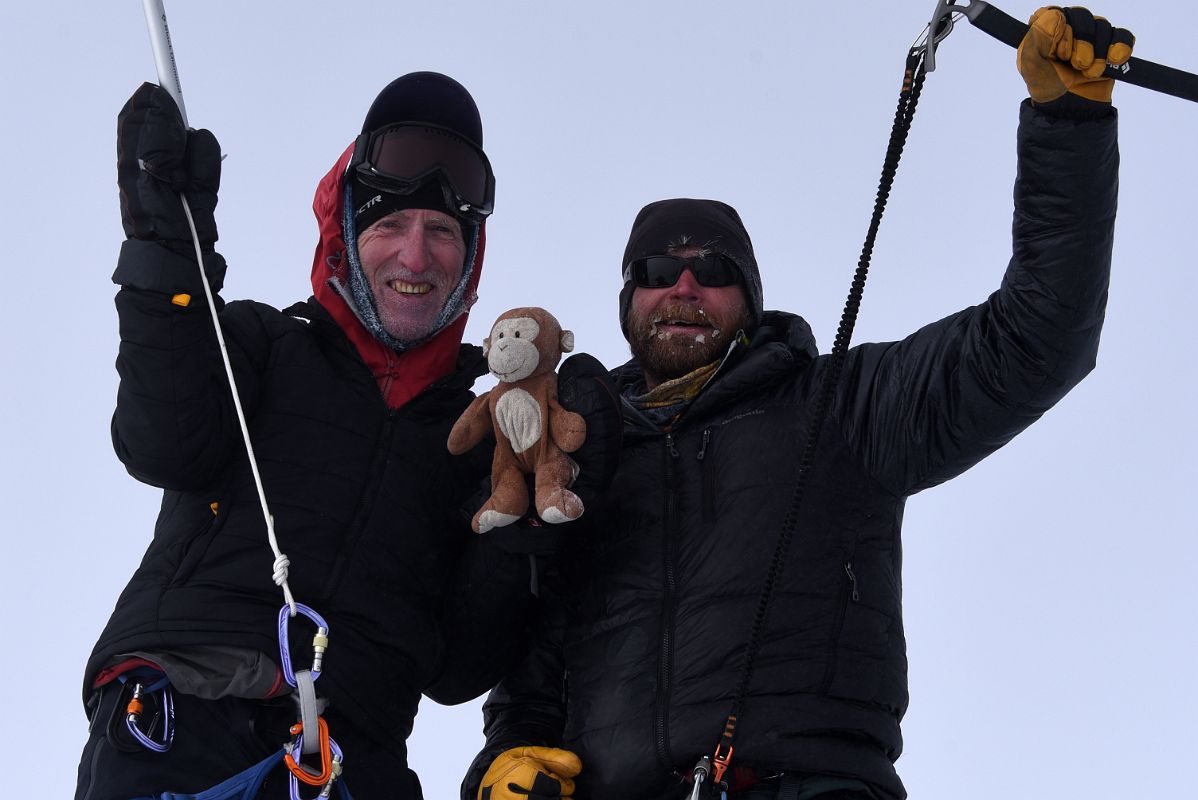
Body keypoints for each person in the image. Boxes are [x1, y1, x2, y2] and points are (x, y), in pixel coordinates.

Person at [464, 8, 1133, 800]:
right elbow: (537, 656)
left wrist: (1069, 125)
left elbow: (1036, 338)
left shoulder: (845, 407)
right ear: (626, 300)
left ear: (748, 300)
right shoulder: (579, 455)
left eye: (713, 269)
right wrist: (507, 755)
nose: (684, 287)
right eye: (655, 269)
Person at [75, 72, 538, 800]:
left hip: (359, 763)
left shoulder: (482, 441)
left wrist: (525, 526)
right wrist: (167, 250)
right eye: (390, 225)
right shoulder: (264, 344)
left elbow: (459, 668)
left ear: (470, 257)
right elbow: (160, 442)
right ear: (343, 238)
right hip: (186, 717)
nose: (415, 258)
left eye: (442, 231)